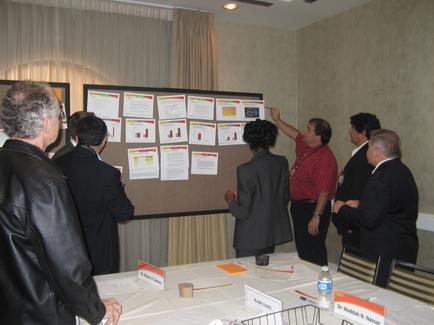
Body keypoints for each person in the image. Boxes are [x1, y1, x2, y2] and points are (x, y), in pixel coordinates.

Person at [0, 81, 121, 325]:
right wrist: (96, 310)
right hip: (42, 312)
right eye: (59, 115)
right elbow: (66, 263)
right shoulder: (45, 179)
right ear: (46, 123)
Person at [333, 129, 418, 287]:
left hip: (384, 251)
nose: (367, 151)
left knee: (381, 299)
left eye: (369, 147)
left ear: (377, 151)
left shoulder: (380, 177)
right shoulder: (402, 171)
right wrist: (361, 204)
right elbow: (392, 206)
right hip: (403, 247)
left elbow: (368, 219)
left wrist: (342, 209)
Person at [55, 115, 134, 275]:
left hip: (64, 247)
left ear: (77, 136)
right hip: (99, 251)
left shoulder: (56, 164)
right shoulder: (108, 173)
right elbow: (124, 213)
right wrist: (120, 187)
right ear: (104, 139)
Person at [270, 108, 337, 266]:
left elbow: (324, 191)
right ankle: (308, 283)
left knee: (313, 250)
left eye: (308, 129)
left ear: (317, 136)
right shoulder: (308, 146)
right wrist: (278, 120)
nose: (304, 131)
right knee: (303, 249)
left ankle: (319, 282)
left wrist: (316, 216)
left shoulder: (324, 158)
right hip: (300, 207)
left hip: (313, 208)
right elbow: (294, 134)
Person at [224, 119, 292, 257]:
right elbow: (284, 199)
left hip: (250, 238)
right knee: (264, 275)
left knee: (246, 277)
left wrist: (230, 200)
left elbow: (242, 212)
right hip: (270, 235)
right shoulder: (282, 162)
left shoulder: (245, 169)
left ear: (250, 141)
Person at [332, 113, 381, 249]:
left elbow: (359, 192)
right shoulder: (360, 154)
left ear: (363, 133)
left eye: (352, 127)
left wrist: (349, 223)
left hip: (354, 227)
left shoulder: (366, 158)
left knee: (355, 264)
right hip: (351, 222)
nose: (349, 131)